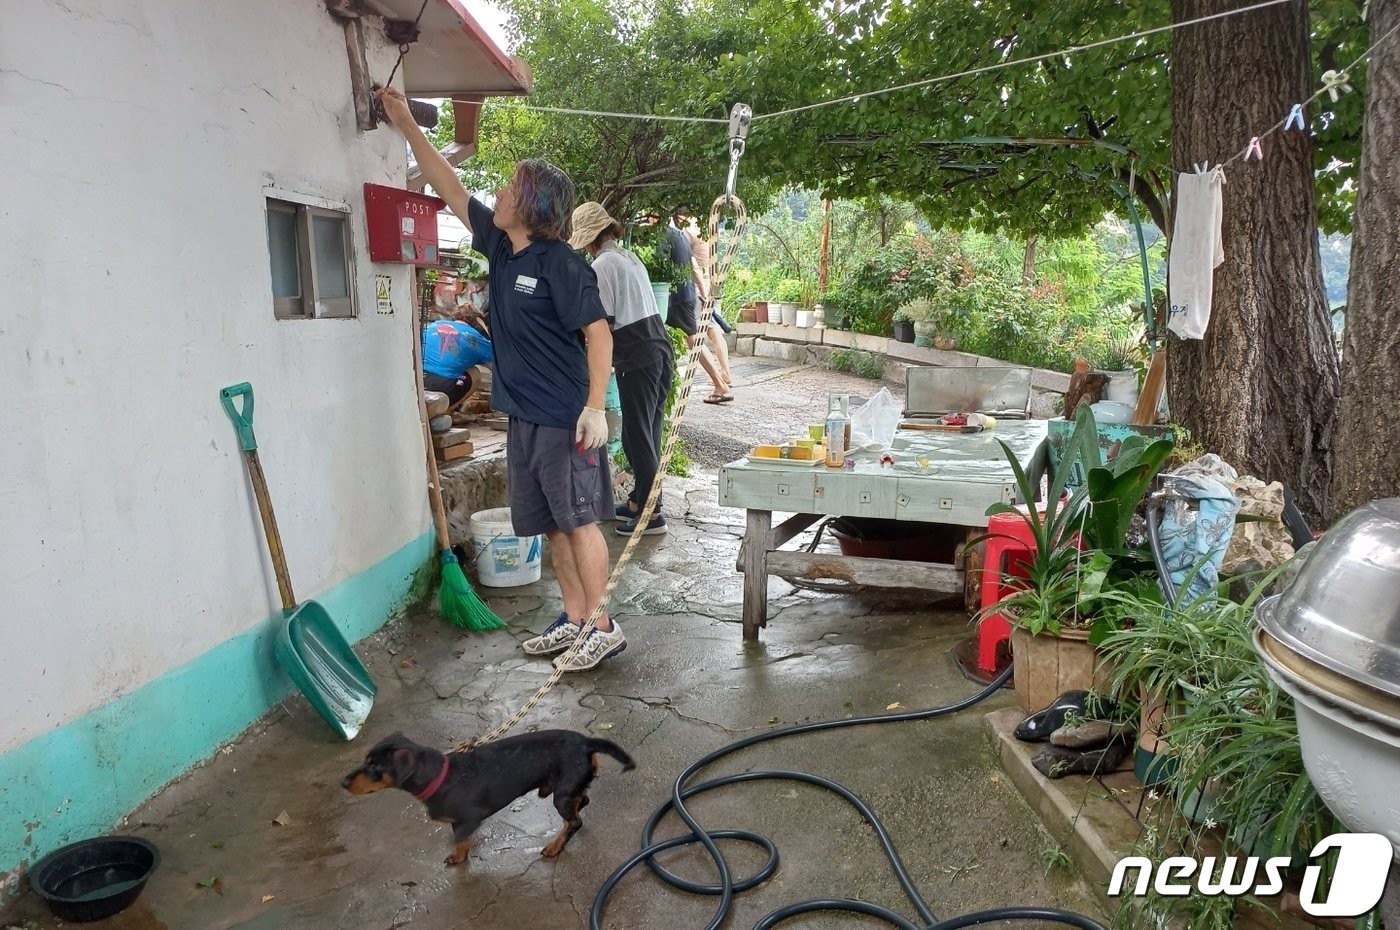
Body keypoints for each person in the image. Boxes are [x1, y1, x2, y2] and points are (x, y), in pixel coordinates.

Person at [377, 86, 624, 672]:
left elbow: (601, 335)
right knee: (553, 528)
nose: (499, 192)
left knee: (580, 522)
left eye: (510, 186)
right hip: (524, 418)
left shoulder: (562, 264)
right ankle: (574, 618)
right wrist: (408, 124)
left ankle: (604, 624)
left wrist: (594, 407)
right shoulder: (500, 246)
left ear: (532, 204)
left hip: (567, 419)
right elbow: (450, 186)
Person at [569, 203, 674, 537]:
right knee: (649, 433)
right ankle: (638, 500)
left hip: (637, 355)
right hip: (659, 348)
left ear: (588, 239)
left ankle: (652, 513)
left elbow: (604, 325)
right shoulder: (628, 257)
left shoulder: (601, 265)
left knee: (636, 438)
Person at [652, 215, 732, 404]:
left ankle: (720, 383)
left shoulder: (664, 237)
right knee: (694, 338)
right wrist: (703, 294)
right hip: (687, 294)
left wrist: (704, 295)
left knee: (694, 339)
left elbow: (690, 267)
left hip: (678, 297)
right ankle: (720, 380)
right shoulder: (679, 235)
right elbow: (692, 266)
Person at [677, 212, 735, 397]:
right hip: (711, 282)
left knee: (694, 334)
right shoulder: (702, 225)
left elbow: (691, 262)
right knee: (713, 330)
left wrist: (702, 293)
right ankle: (725, 373)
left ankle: (719, 377)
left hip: (698, 286)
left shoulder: (686, 230)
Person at [422, 312, 493, 410]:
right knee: (474, 373)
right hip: (443, 386)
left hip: (420, 380)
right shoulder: (474, 335)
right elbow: (496, 367)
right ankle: (446, 411)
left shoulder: (434, 325)